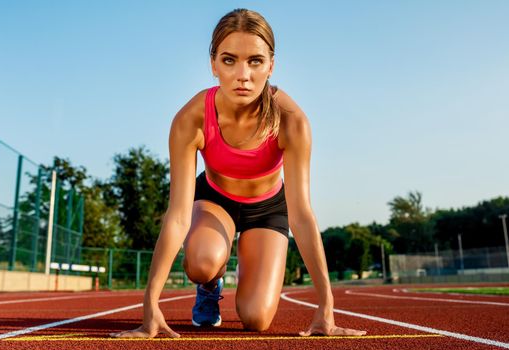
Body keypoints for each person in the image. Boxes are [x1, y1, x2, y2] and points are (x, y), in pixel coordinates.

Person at [110, 8, 366, 338]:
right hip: (216, 201)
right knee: (202, 262)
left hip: (268, 209)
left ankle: (251, 261)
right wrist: (150, 304)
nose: (242, 74)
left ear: (271, 65)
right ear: (213, 64)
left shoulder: (292, 121)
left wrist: (326, 306)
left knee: (256, 319)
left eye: (255, 61)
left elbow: (301, 215)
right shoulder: (191, 119)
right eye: (230, 60)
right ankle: (210, 284)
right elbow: (176, 216)